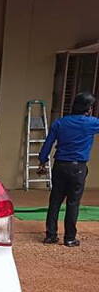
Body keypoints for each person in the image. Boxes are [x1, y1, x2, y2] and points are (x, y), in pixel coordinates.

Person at [38, 92, 98, 247]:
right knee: (73, 203)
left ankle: (51, 235)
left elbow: (48, 143)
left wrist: (42, 161)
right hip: (78, 167)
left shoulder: (60, 123)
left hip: (60, 166)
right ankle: (69, 238)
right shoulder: (92, 123)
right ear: (89, 108)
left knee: (55, 201)